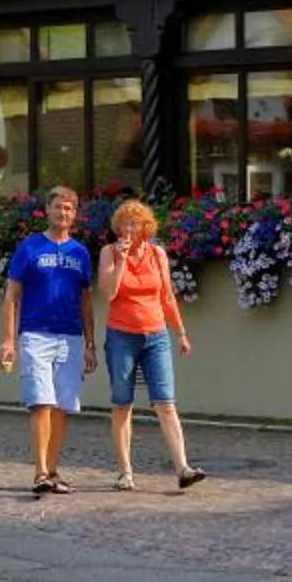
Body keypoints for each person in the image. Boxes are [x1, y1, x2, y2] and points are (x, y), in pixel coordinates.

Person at [98, 198, 207, 492]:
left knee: (166, 403)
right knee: (122, 403)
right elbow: (108, 294)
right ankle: (125, 472)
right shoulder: (108, 253)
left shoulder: (157, 254)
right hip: (122, 335)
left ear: (147, 227)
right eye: (125, 224)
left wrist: (181, 333)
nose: (130, 229)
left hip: (156, 335)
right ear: (117, 228)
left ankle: (183, 468)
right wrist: (120, 262)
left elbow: (167, 297)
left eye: (136, 223)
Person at [0, 185, 96, 495]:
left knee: (61, 406)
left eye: (69, 209)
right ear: (47, 211)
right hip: (35, 334)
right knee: (41, 401)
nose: (63, 213)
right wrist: (8, 340)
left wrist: (90, 344)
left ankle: (52, 470)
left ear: (74, 215)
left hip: (70, 337)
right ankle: (40, 472)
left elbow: (86, 302)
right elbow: (12, 295)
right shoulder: (29, 248)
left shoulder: (80, 253)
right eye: (58, 207)